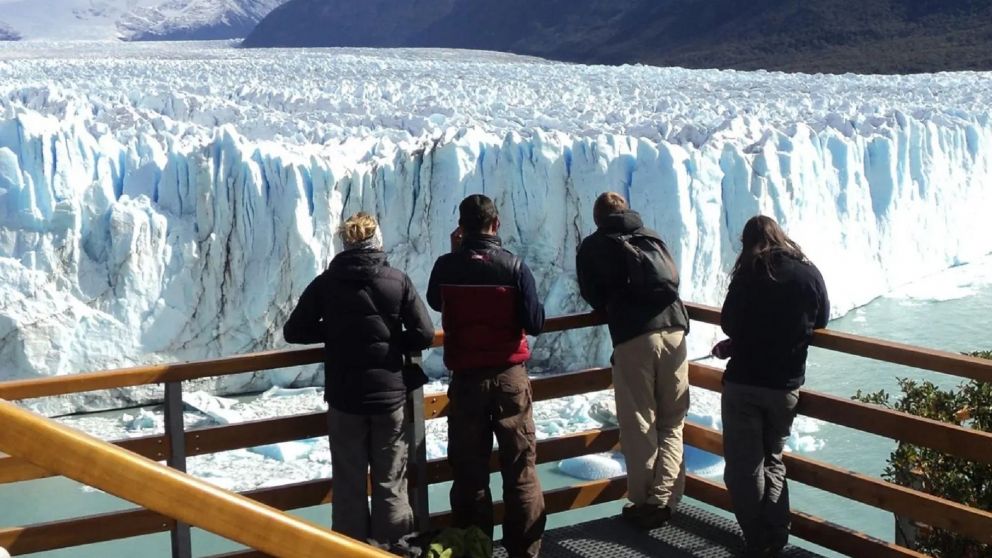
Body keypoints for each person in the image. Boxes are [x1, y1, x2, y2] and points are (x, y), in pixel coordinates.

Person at [283, 212, 435, 547]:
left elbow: (294, 331)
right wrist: (395, 342)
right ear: (376, 240)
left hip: (345, 399)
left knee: (349, 484)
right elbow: (424, 333)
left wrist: (335, 333)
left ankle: (349, 553)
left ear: (345, 242)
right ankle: (393, 551)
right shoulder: (397, 280)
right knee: (391, 483)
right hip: (389, 398)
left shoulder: (326, 283)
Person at [426, 194, 546, 558]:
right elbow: (535, 322)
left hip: (466, 381)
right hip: (509, 378)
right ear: (496, 225)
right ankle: (524, 551)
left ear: (461, 228)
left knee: (469, 472)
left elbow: (435, 301)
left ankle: (474, 550)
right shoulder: (514, 267)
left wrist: (455, 253)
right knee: (520, 468)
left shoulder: (446, 266)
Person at [575, 192, 690, 529]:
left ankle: (645, 503)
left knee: (640, 422)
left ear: (598, 218)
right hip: (675, 330)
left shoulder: (595, 246)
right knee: (672, 420)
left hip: (634, 337)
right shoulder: (651, 235)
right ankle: (667, 497)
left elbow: (594, 296)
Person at [717, 215, 829, 557]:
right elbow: (821, 318)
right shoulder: (808, 272)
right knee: (773, 458)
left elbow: (729, 322)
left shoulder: (749, 272)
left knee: (743, 467)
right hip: (785, 386)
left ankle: (756, 537)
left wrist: (740, 342)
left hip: (745, 383)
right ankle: (777, 536)